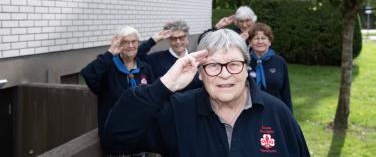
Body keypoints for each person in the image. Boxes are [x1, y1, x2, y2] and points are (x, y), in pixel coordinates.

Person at [103, 29, 309, 156]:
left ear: (247, 68)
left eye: (234, 64)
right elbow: (115, 138)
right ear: (200, 73)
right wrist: (164, 85)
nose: (224, 74)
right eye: (213, 66)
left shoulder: (277, 114)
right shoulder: (179, 111)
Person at [80, 26, 154, 156]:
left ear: (138, 43)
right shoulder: (109, 67)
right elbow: (88, 74)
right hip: (116, 139)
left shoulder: (145, 68)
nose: (131, 45)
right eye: (126, 42)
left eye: (134, 41)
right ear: (119, 44)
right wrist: (109, 53)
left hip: (140, 136)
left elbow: (153, 98)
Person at [141, 20, 202, 90]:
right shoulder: (156, 59)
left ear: (187, 38)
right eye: (173, 38)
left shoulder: (197, 60)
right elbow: (135, 57)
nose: (178, 42)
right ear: (168, 40)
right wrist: (154, 39)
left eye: (181, 37)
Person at [248, 22, 293, 112]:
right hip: (250, 110)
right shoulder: (245, 62)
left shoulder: (279, 62)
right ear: (250, 42)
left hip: (275, 110)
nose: (260, 41)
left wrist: (289, 116)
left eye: (263, 38)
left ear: (269, 41)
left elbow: (286, 93)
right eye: (256, 38)